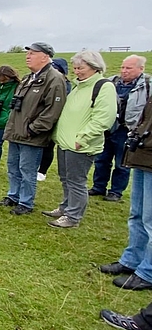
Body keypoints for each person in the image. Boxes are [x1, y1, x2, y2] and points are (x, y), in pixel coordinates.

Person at [41, 51, 117, 228]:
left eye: (81, 68)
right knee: (65, 178)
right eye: (75, 68)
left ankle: (73, 216)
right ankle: (65, 207)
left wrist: (83, 138)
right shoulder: (78, 87)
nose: (77, 71)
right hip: (65, 142)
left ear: (94, 67)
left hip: (80, 145)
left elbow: (103, 118)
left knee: (76, 181)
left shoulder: (103, 87)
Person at [0, 42, 66, 215]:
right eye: (28, 53)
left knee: (27, 170)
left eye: (33, 53)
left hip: (31, 135)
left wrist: (33, 129)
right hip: (16, 132)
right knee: (13, 167)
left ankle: (26, 202)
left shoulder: (54, 79)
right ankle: (13, 196)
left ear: (45, 56)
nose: (28, 56)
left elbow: (52, 111)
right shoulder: (29, 78)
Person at [98, 92, 152, 291]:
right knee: (137, 214)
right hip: (141, 156)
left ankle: (148, 272)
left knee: (150, 219)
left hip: (147, 155)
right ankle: (131, 260)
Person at [90, 55, 150, 201]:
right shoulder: (111, 82)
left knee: (121, 162)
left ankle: (116, 191)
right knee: (101, 159)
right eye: (122, 67)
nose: (124, 71)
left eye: (128, 68)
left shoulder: (147, 85)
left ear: (141, 69)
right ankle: (98, 187)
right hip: (109, 127)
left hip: (128, 129)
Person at [37, 58, 72, 181]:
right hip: (42, 117)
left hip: (55, 119)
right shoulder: (47, 81)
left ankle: (42, 171)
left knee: (48, 145)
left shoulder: (64, 85)